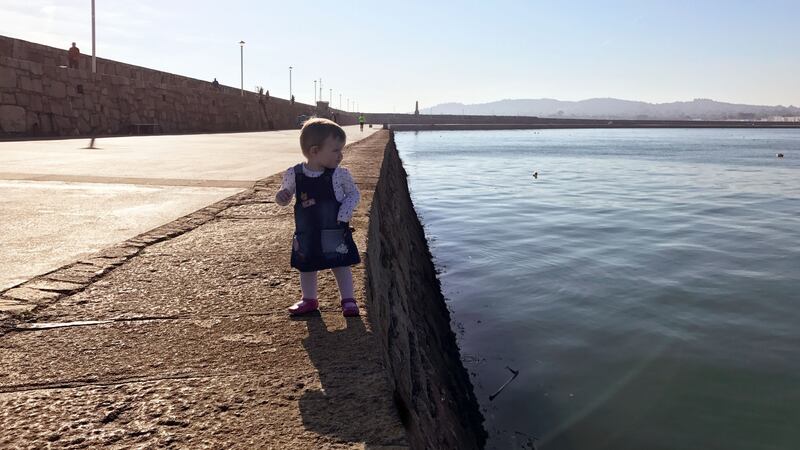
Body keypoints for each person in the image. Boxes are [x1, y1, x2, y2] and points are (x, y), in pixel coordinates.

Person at [274, 118, 361, 317]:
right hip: (307, 231)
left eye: (341, 150)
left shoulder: (340, 174)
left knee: (340, 263)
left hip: (334, 228)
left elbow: (354, 194)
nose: (341, 155)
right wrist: (282, 197)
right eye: (336, 150)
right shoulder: (294, 174)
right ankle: (309, 299)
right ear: (314, 151)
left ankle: (348, 299)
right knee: (306, 266)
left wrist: (344, 213)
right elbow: (284, 196)